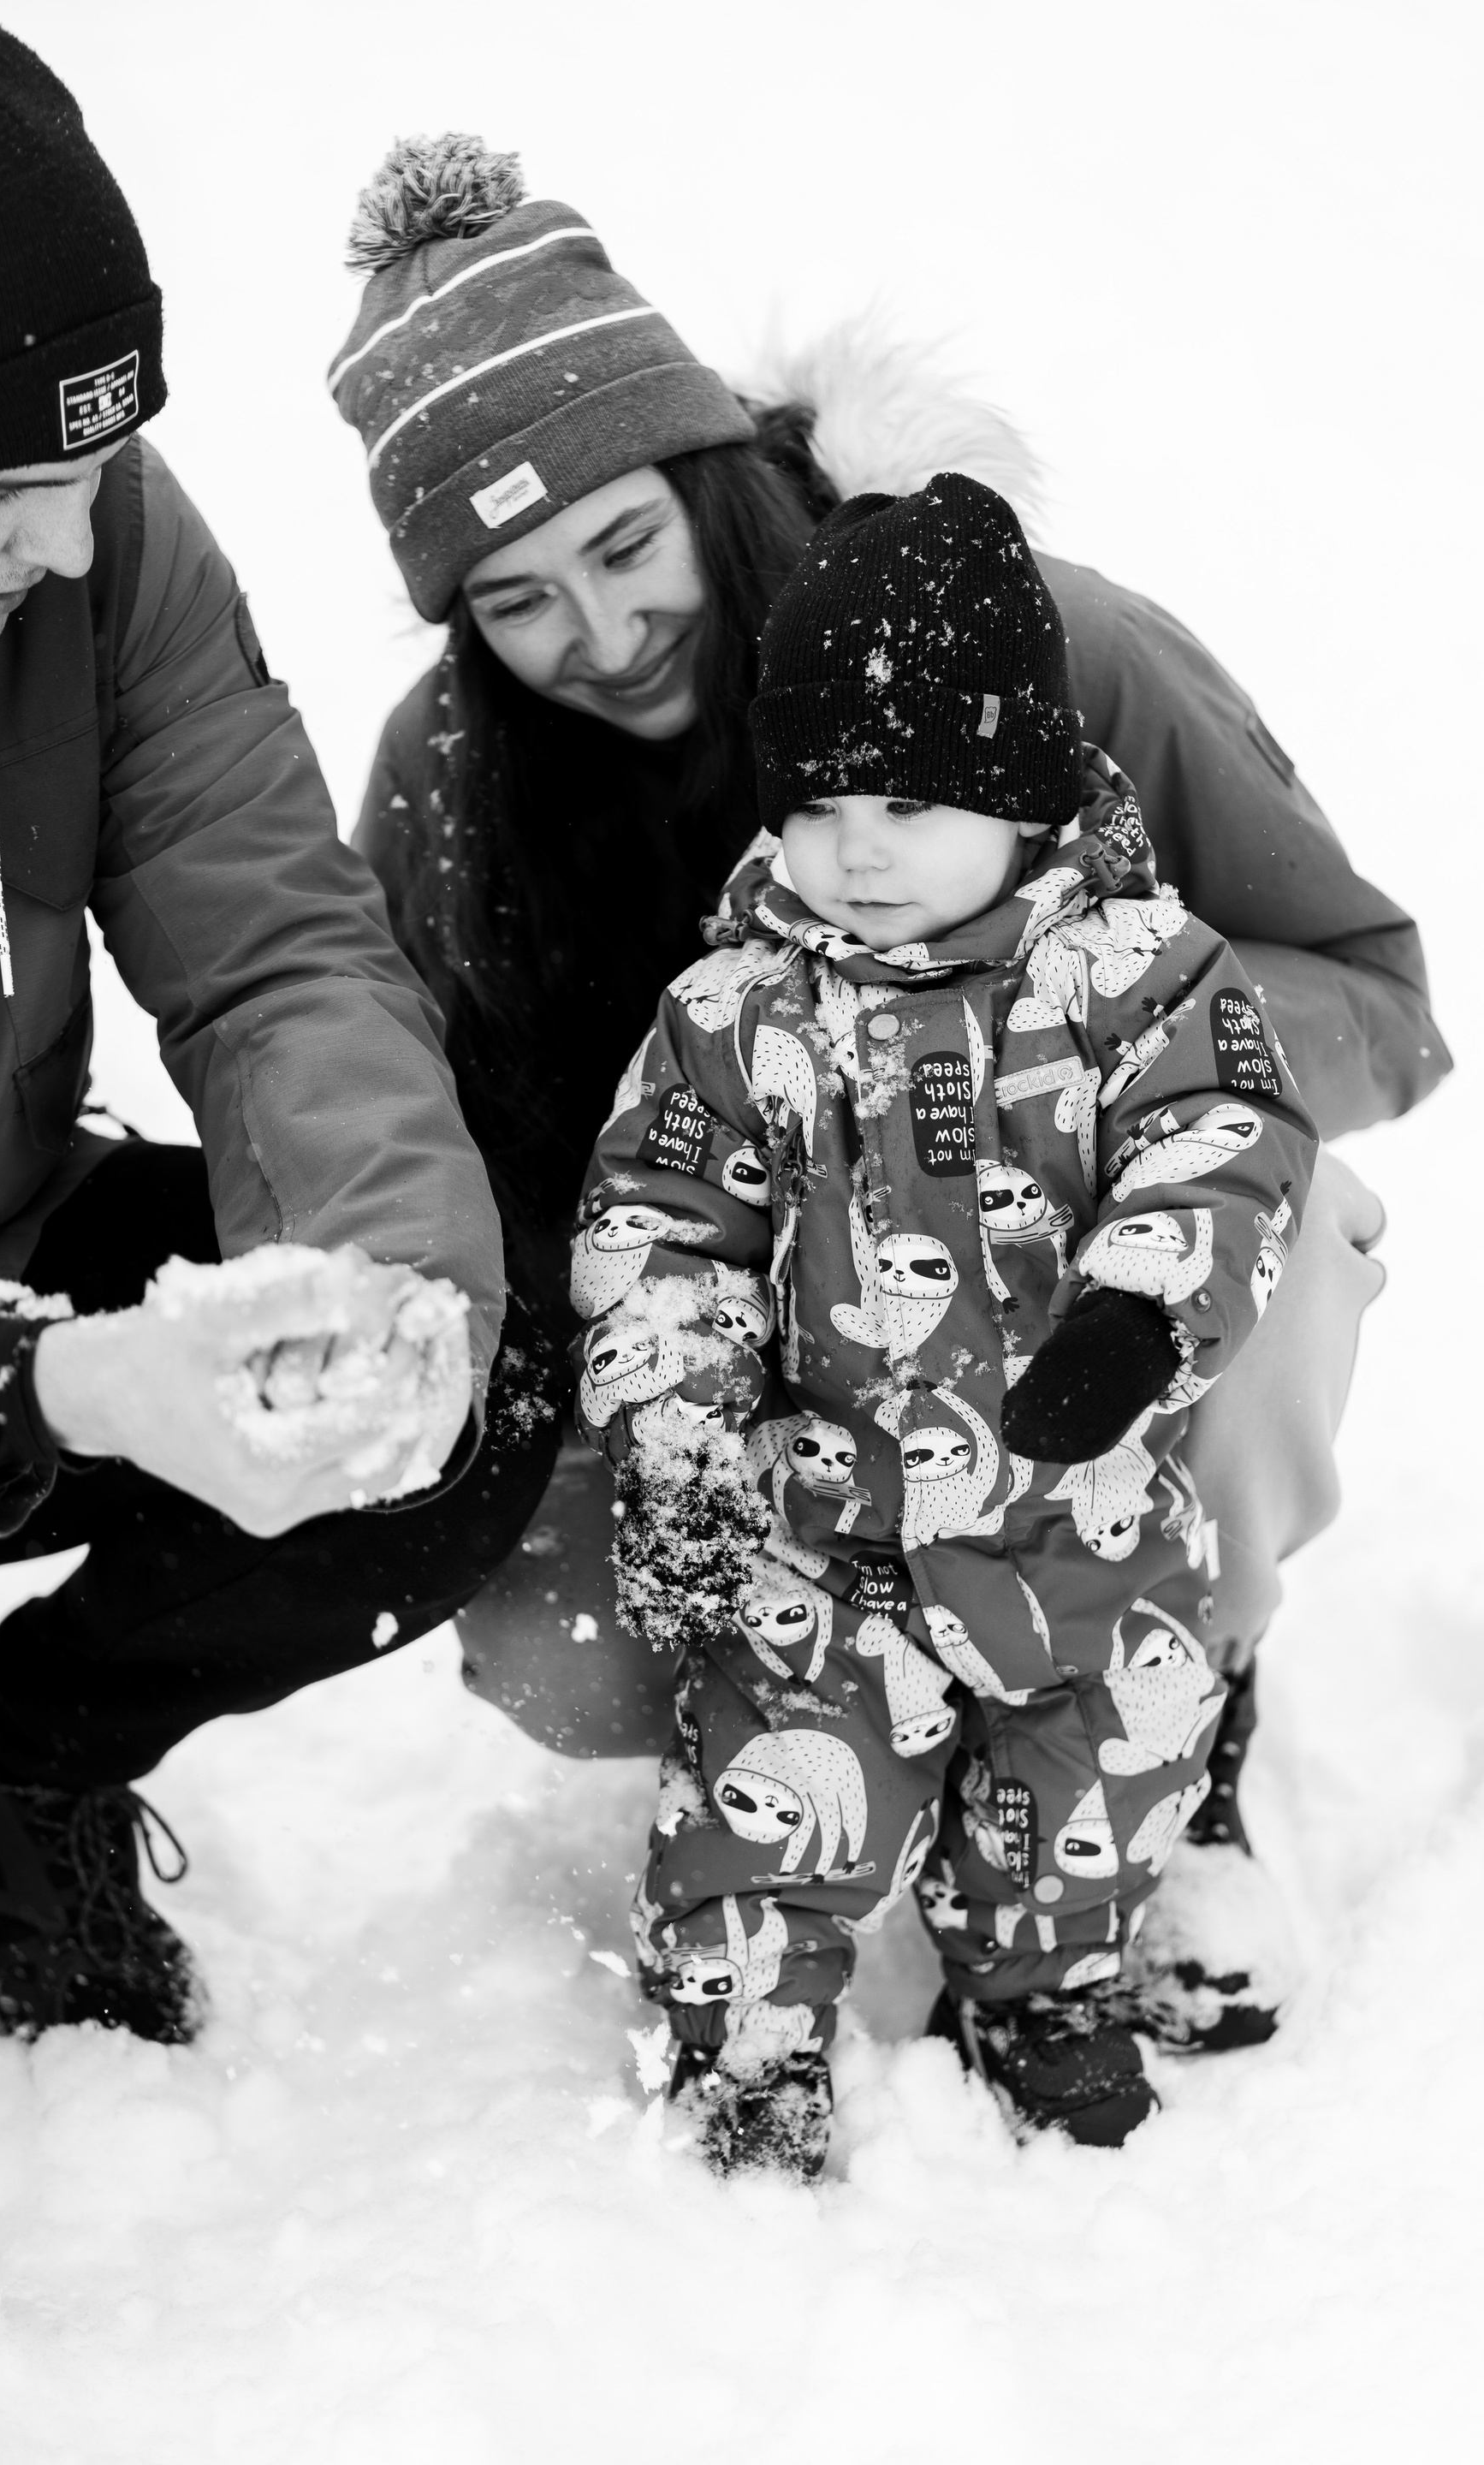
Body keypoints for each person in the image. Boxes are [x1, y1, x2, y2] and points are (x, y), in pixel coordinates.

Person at [331, 138, 1445, 2025]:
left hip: (1074, 1293)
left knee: (1281, 1239)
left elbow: (1372, 992)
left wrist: (1074, 1065)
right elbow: (424, 1130)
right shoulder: (455, 775)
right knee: (563, 1652)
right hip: (769, 1342)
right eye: (516, 600)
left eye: (626, 546)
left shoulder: (1026, 643)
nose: (600, 636)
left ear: (702, 475)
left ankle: (1164, 1709)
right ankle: (833, 1733)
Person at [0, 26, 545, 2046]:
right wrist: (53, 1388)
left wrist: (382, 1282)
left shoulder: (98, 546)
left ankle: (20, 1755)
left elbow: (272, 948)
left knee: (463, 1400)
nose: (63, 546)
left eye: (87, 476)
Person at [570, 474, 1318, 2171]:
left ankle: (1042, 1992)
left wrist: (1140, 1313)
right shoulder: (736, 1013)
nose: (858, 850)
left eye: (910, 802)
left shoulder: (1138, 974)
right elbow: (658, 1228)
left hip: (1082, 1514)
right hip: (827, 1529)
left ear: (1021, 787)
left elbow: (1227, 1141)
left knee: (1093, 1784)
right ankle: (749, 2048)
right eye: (818, 804)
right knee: (773, 1804)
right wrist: (683, 1433)